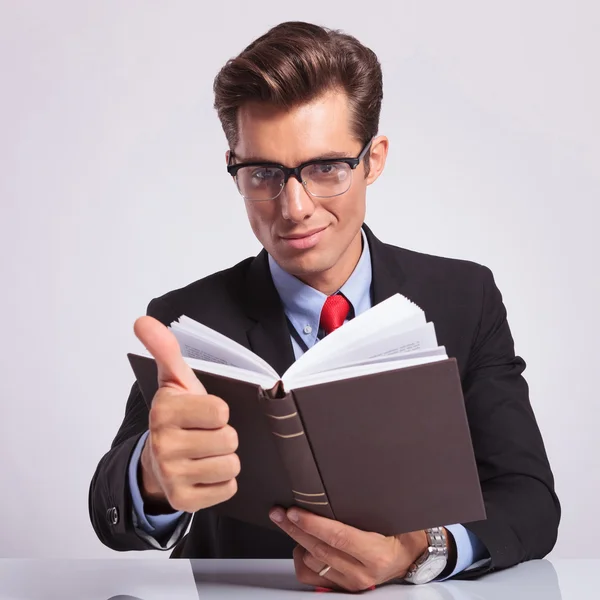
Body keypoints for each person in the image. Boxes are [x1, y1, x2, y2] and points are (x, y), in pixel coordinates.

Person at [89, 21, 560, 592]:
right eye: (262, 173)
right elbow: (110, 515)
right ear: (234, 167)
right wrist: (152, 475)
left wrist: (419, 551)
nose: (294, 207)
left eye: (325, 168)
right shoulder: (188, 319)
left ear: (373, 160)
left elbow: (530, 501)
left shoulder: (465, 297)